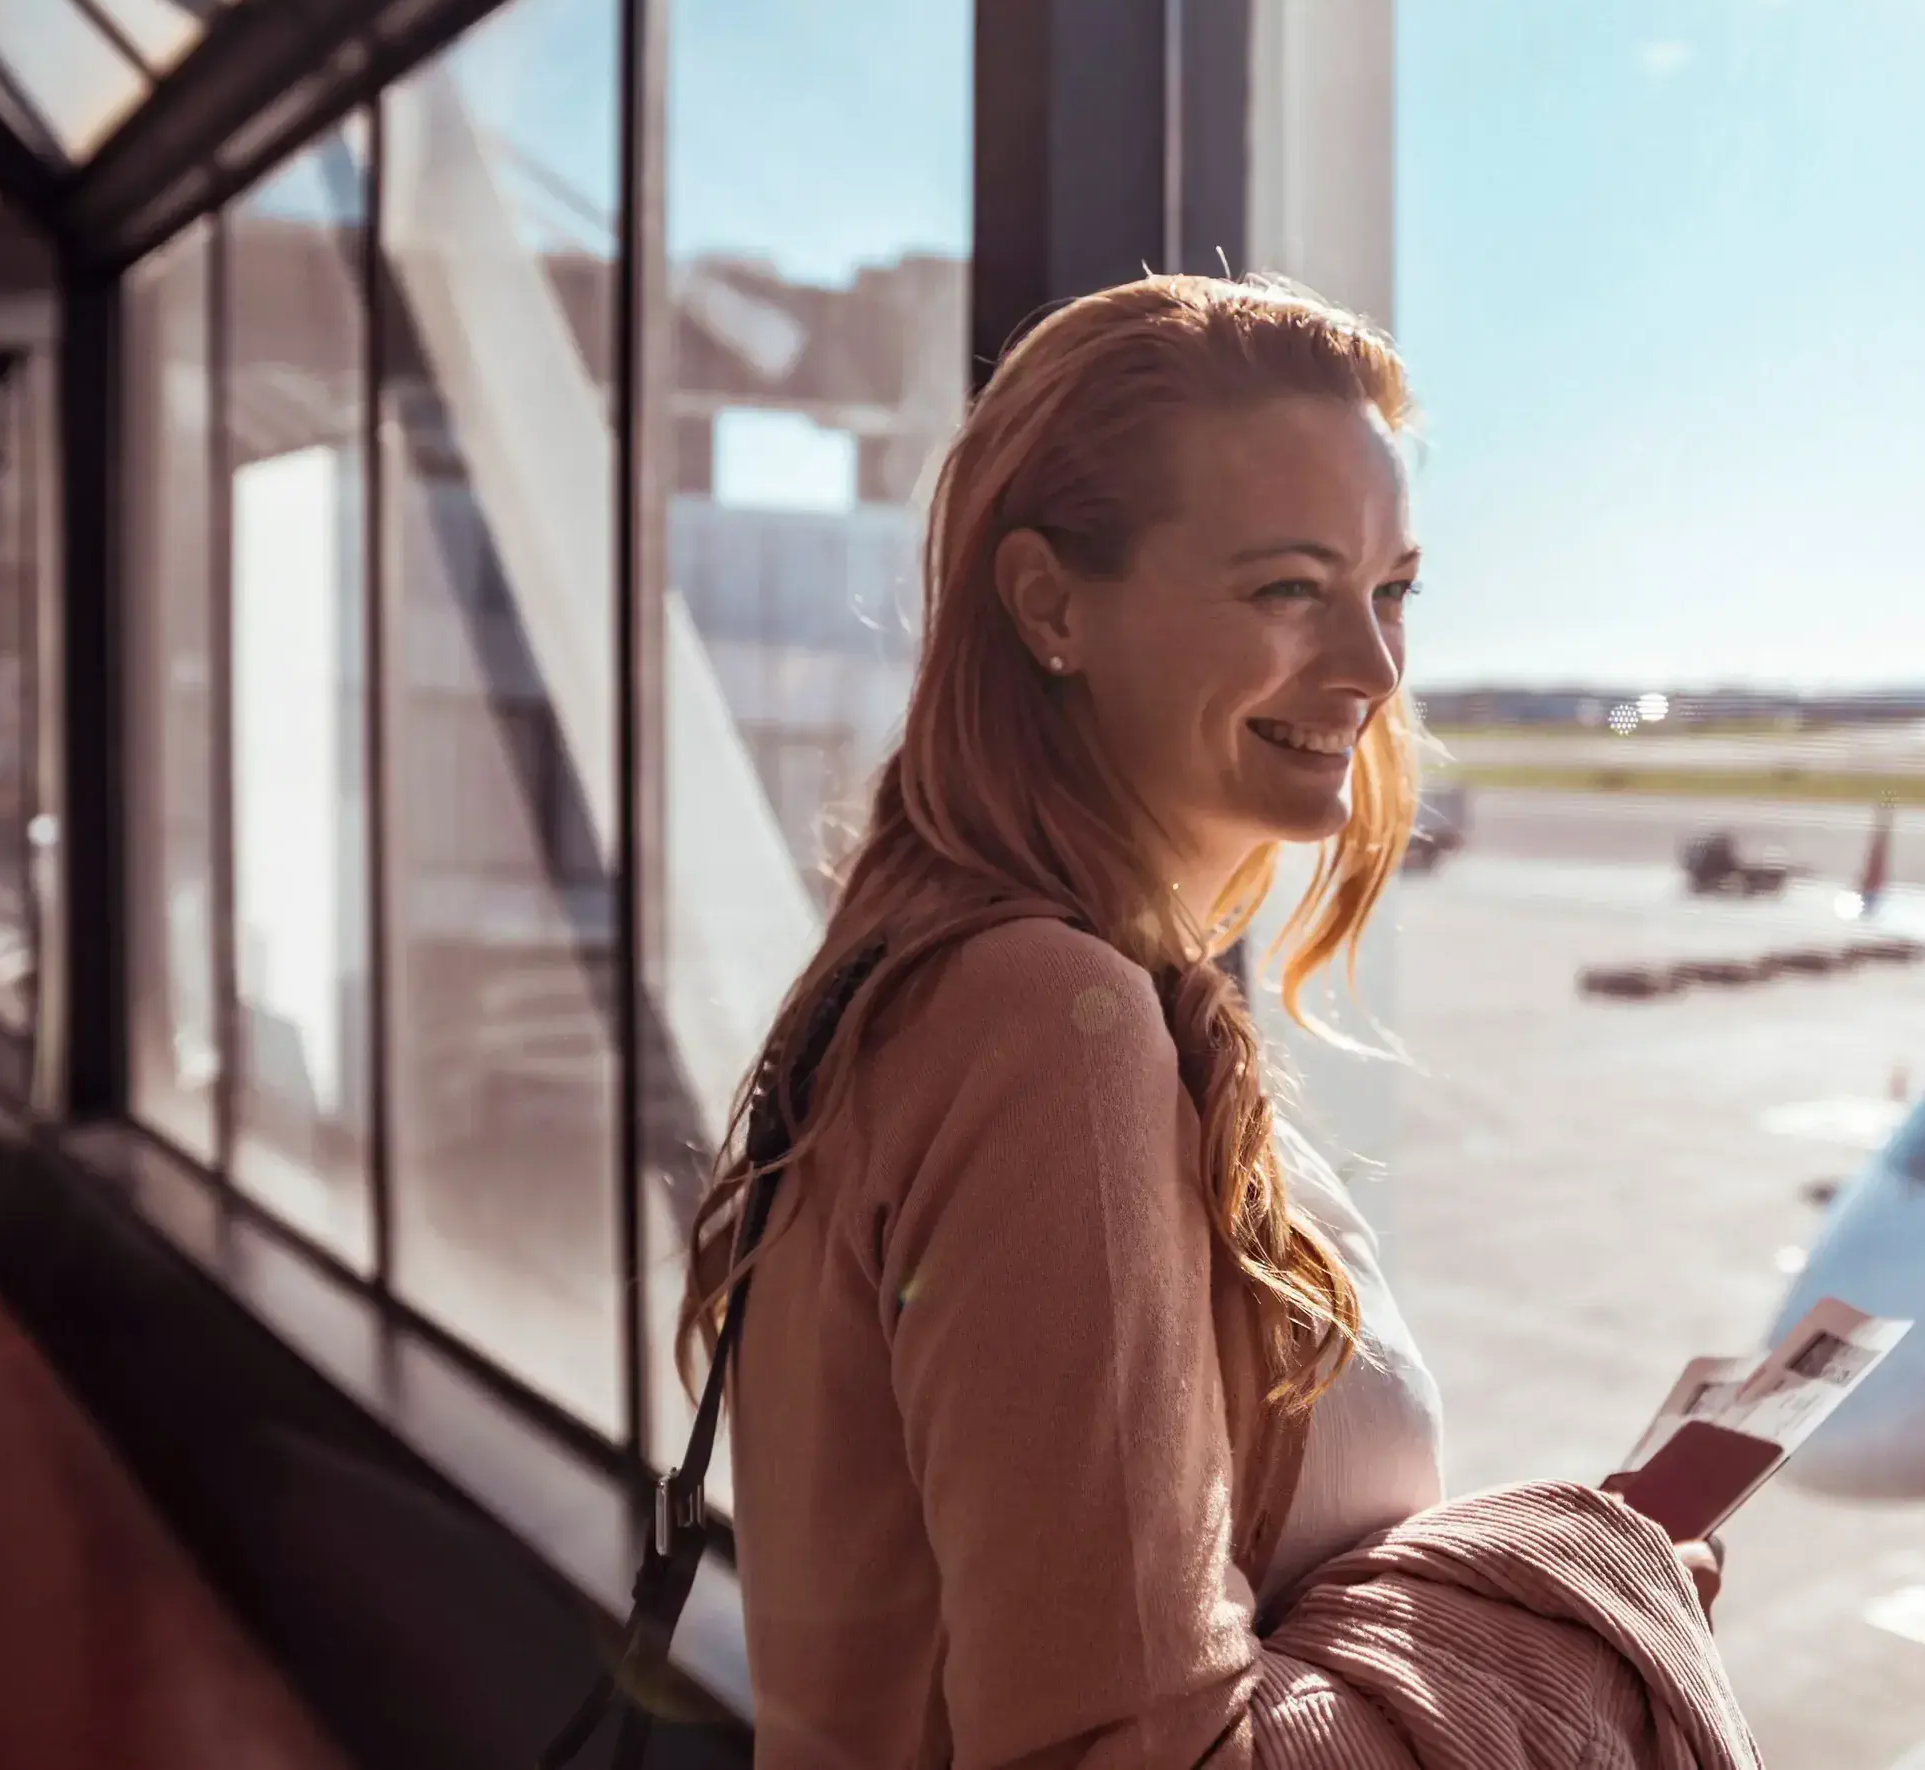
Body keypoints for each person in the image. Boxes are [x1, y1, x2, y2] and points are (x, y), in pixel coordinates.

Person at [685, 275, 1736, 1769]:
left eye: (1392, 592)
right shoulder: (1056, 1026)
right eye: (1289, 588)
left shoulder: (956, 972)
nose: (1374, 671)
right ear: (1052, 603)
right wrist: (1575, 1613)